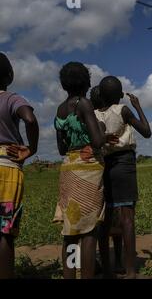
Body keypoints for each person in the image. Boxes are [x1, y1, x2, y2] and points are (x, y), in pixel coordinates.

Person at [53, 62, 106, 279]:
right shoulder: (84, 104)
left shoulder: (60, 109)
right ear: (87, 82)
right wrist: (101, 129)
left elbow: (61, 148)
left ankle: (69, 276)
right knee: (89, 231)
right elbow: (97, 141)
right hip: (89, 168)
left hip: (68, 167)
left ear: (64, 85)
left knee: (71, 231)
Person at [96, 76, 151, 279]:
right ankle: (129, 271)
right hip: (125, 165)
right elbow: (146, 132)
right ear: (121, 96)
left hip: (104, 166)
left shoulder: (93, 114)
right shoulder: (123, 110)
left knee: (106, 219)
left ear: (99, 95)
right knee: (127, 219)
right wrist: (137, 106)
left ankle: (109, 270)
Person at [0, 53, 39, 279]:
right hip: (7, 168)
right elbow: (30, 119)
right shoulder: (11, 98)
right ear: (10, 75)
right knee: (4, 232)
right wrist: (30, 148)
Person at [89, 85, 124, 274]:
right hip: (110, 169)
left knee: (94, 224)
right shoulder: (112, 114)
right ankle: (117, 262)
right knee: (115, 220)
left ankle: (96, 263)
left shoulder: (89, 118)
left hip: (94, 173)